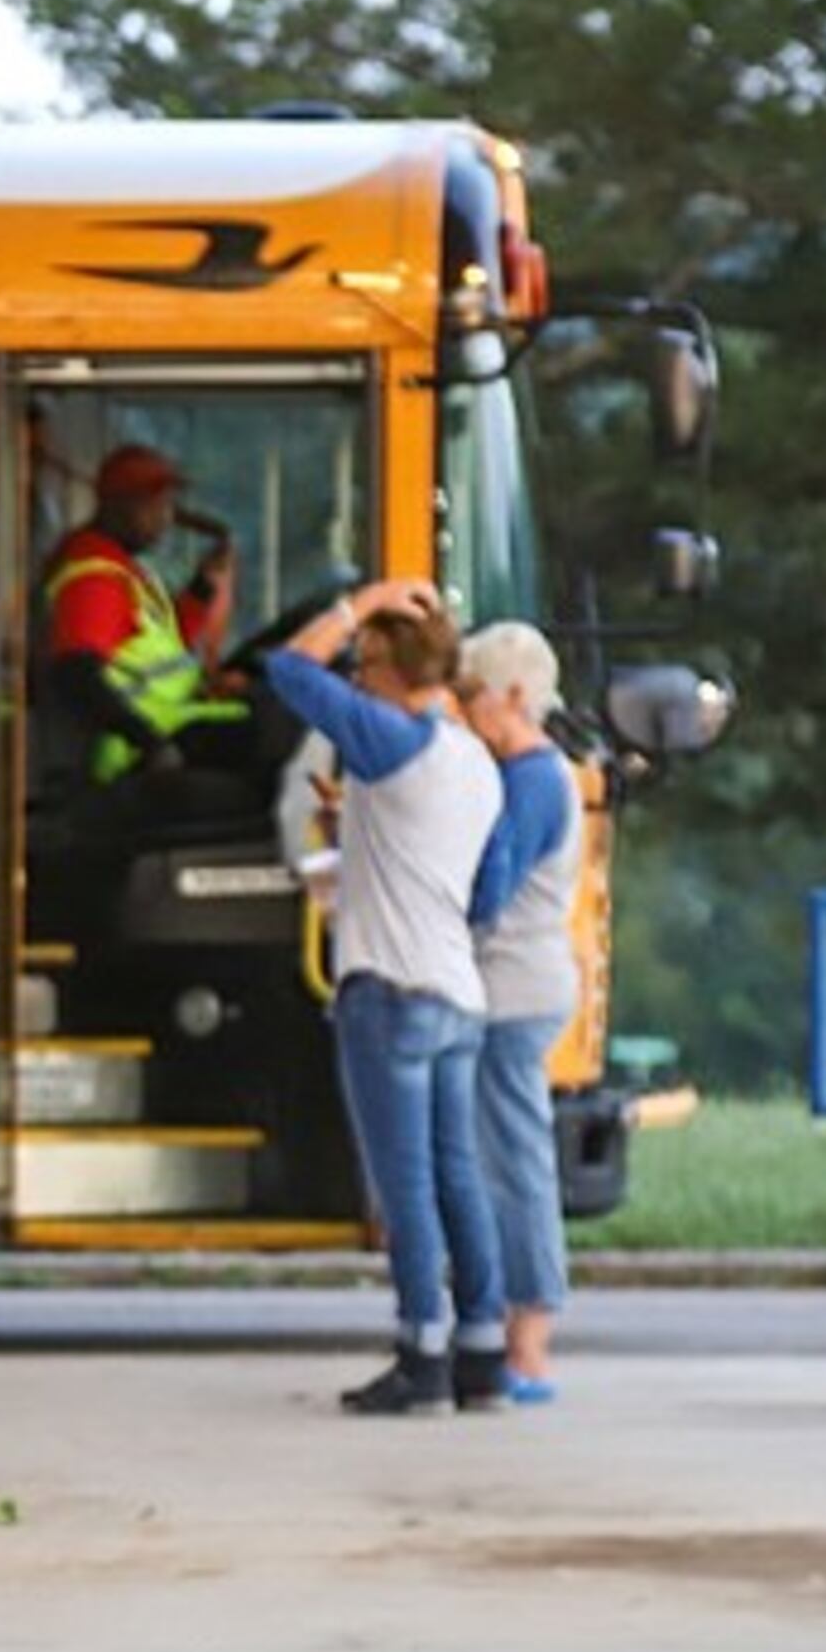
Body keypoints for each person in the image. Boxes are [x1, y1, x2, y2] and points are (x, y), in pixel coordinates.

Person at [263, 578, 507, 1417]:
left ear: (396, 670)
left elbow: (288, 673)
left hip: (388, 992)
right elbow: (487, 887)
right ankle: (482, 1354)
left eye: (364, 662)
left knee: (402, 1188)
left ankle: (421, 1357)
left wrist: (358, 603)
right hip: (456, 991)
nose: (354, 675)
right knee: (457, 1178)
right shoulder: (474, 758)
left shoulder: (391, 739)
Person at [460, 621, 586, 1406]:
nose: (464, 712)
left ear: (512, 697)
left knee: (513, 1162)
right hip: (519, 985)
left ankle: (530, 1343)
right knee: (505, 1156)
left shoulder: (533, 780)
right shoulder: (534, 776)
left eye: (473, 696)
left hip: (513, 988)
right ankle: (515, 1333)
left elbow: (489, 887)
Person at [40, 444, 254, 784]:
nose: (166, 519)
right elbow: (76, 673)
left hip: (171, 720)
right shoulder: (95, 580)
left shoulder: (121, 570)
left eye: (169, 506)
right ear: (117, 507)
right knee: (269, 730)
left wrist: (202, 588)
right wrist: (150, 743)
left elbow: (162, 648)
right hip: (133, 753)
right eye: (156, 506)